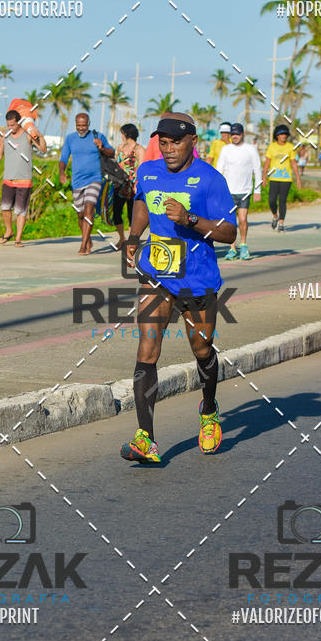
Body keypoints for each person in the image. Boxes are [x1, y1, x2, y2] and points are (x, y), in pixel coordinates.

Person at [120, 112, 237, 465]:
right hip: (158, 271)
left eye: (176, 143)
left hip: (197, 277)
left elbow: (229, 232)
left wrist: (190, 219)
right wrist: (134, 235)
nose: (169, 149)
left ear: (193, 142)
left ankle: (209, 410)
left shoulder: (210, 179)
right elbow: (142, 201)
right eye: (164, 143)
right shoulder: (148, 171)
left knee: (202, 349)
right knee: (147, 347)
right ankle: (146, 438)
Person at [0, 109, 46, 247]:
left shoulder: (28, 135)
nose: (10, 128)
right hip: (8, 179)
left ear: (19, 122)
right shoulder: (5, 136)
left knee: (21, 210)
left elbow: (43, 149)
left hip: (24, 180)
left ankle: (18, 238)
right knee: (5, 207)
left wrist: (39, 135)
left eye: (12, 125)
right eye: (8, 125)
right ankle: (9, 231)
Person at [59, 112, 114, 255]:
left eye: (84, 125)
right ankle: (87, 239)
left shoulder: (98, 136)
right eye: (78, 125)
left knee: (89, 209)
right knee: (80, 214)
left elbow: (112, 152)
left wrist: (102, 148)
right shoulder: (70, 138)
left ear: (88, 124)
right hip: (77, 181)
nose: (81, 128)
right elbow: (63, 158)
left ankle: (83, 246)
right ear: (75, 124)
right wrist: (62, 172)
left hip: (95, 179)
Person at [216, 122, 261, 260]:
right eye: (233, 134)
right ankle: (232, 248)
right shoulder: (226, 149)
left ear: (242, 134)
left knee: (242, 219)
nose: (235, 136)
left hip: (245, 191)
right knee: (230, 222)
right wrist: (216, 189)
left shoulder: (251, 149)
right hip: (228, 192)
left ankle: (244, 245)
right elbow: (219, 169)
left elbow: (257, 169)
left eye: (237, 134)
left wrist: (257, 190)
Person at [261, 124, 302, 232]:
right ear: (277, 135)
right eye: (281, 134)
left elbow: (293, 163)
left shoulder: (290, 147)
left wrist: (298, 178)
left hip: (286, 178)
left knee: (282, 201)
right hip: (274, 178)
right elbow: (267, 162)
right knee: (271, 200)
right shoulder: (272, 146)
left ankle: (281, 223)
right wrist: (264, 176)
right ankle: (275, 216)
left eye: (285, 134)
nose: (283, 136)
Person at [112, 123, 144, 249]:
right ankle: (122, 238)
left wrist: (137, 185)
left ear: (126, 134)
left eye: (122, 133)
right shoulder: (120, 148)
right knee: (116, 213)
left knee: (132, 215)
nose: (121, 136)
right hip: (119, 185)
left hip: (133, 187)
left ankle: (132, 240)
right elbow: (115, 164)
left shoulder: (139, 149)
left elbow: (141, 169)